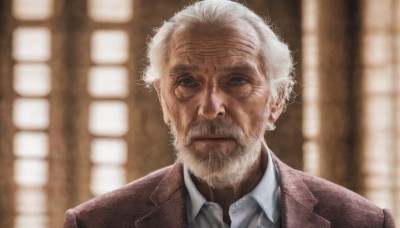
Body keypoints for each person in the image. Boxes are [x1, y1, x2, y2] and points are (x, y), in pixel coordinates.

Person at [64, 0, 396, 227]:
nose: (210, 108)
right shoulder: (96, 223)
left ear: (277, 100)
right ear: (163, 100)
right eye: (187, 82)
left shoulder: (361, 222)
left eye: (237, 80)